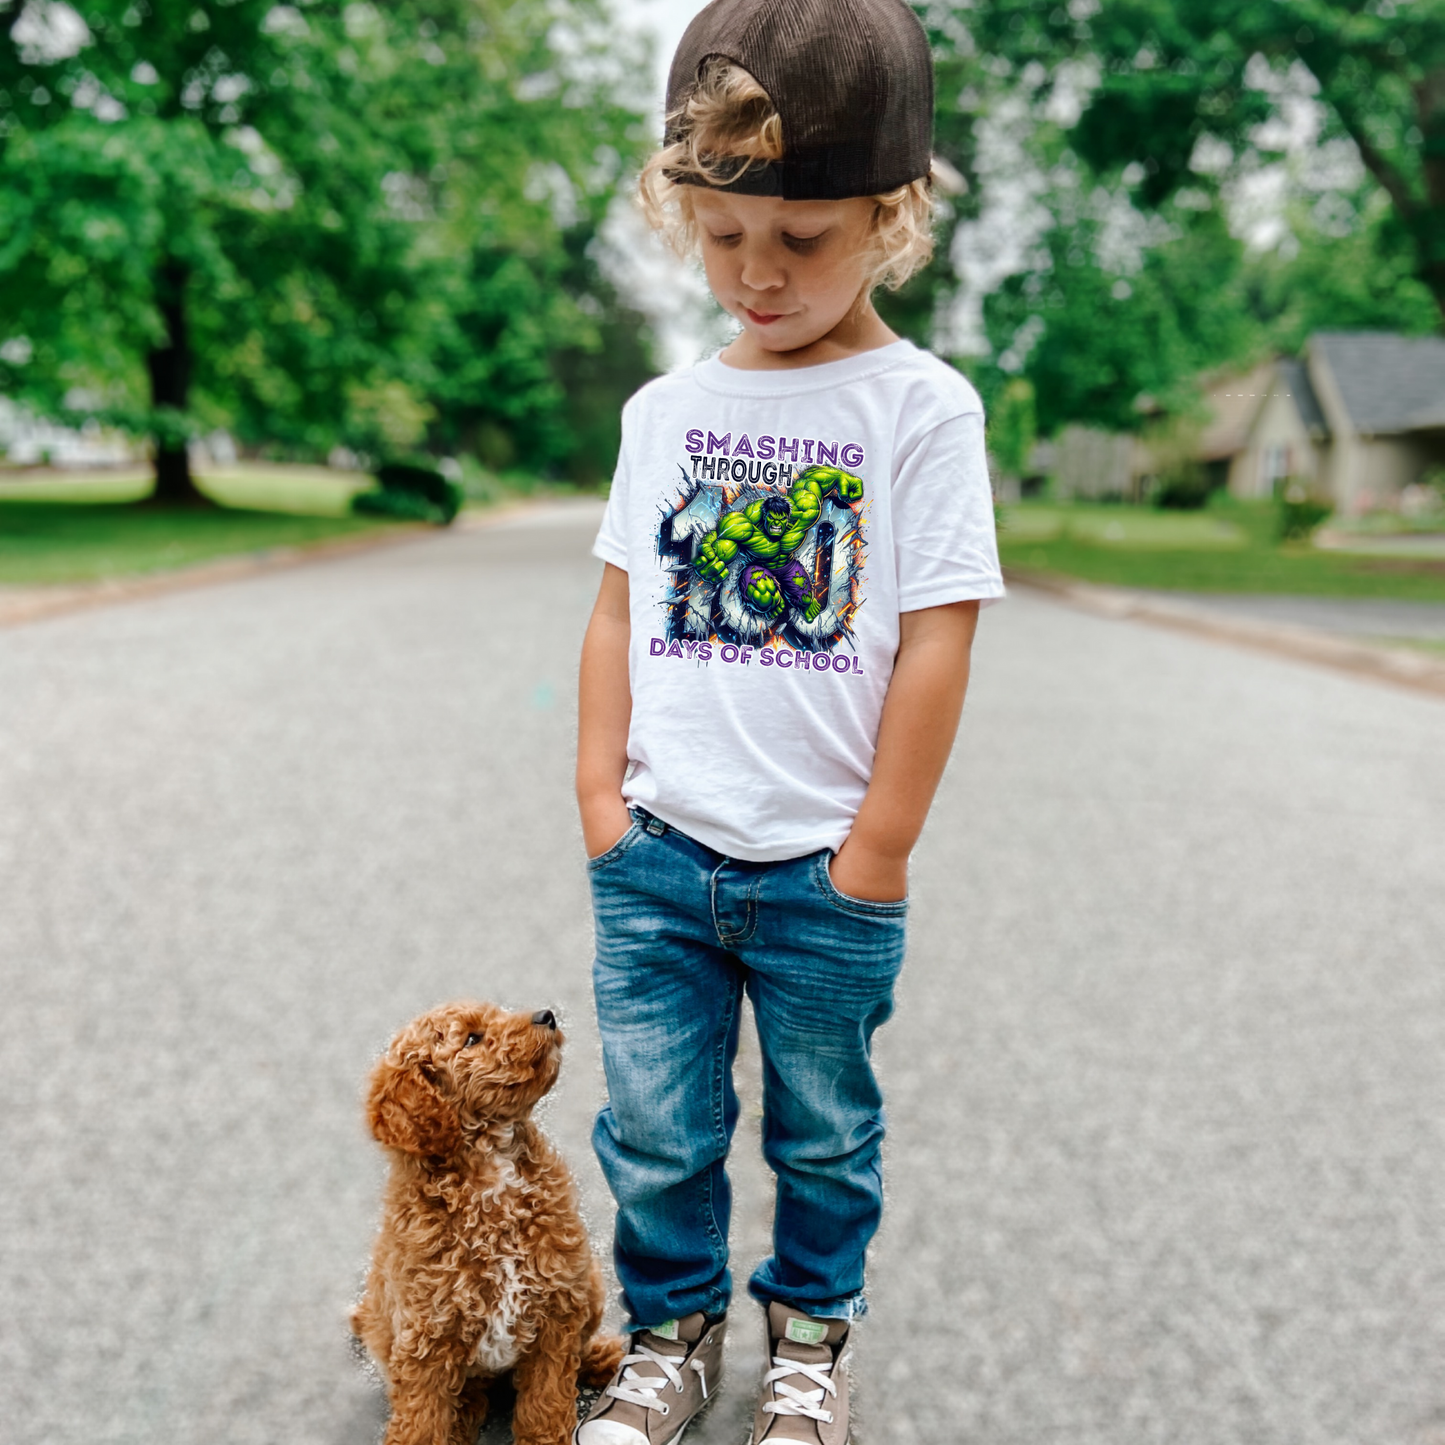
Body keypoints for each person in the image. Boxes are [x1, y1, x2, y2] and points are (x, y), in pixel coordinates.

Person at [574, 1, 1003, 1440]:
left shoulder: (922, 409)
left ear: (891, 217)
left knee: (824, 1134)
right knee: (655, 1129)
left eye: (801, 240)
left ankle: (810, 1340)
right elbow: (619, 609)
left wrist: (877, 849)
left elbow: (941, 636)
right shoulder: (663, 412)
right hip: (658, 857)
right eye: (720, 237)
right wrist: (598, 800)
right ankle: (672, 1335)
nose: (756, 276)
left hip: (826, 871)